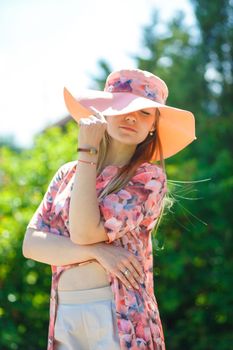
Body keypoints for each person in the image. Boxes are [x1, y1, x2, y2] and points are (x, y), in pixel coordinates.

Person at [22, 68, 196, 350]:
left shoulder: (147, 178)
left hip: (118, 314)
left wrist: (87, 152)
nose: (131, 117)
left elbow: (85, 231)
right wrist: (97, 252)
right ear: (106, 110)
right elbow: (32, 245)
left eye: (144, 113)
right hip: (66, 312)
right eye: (124, 106)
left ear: (153, 125)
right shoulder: (68, 174)